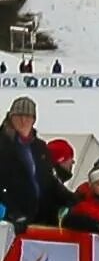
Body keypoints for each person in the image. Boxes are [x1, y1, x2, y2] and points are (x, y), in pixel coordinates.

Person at [2, 96, 74, 228]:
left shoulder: (39, 147)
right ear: (10, 118)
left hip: (41, 218)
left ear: (33, 120)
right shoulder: (3, 145)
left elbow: (49, 181)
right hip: (11, 221)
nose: (23, 121)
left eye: (28, 117)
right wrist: (12, 212)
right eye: (18, 116)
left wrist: (73, 199)